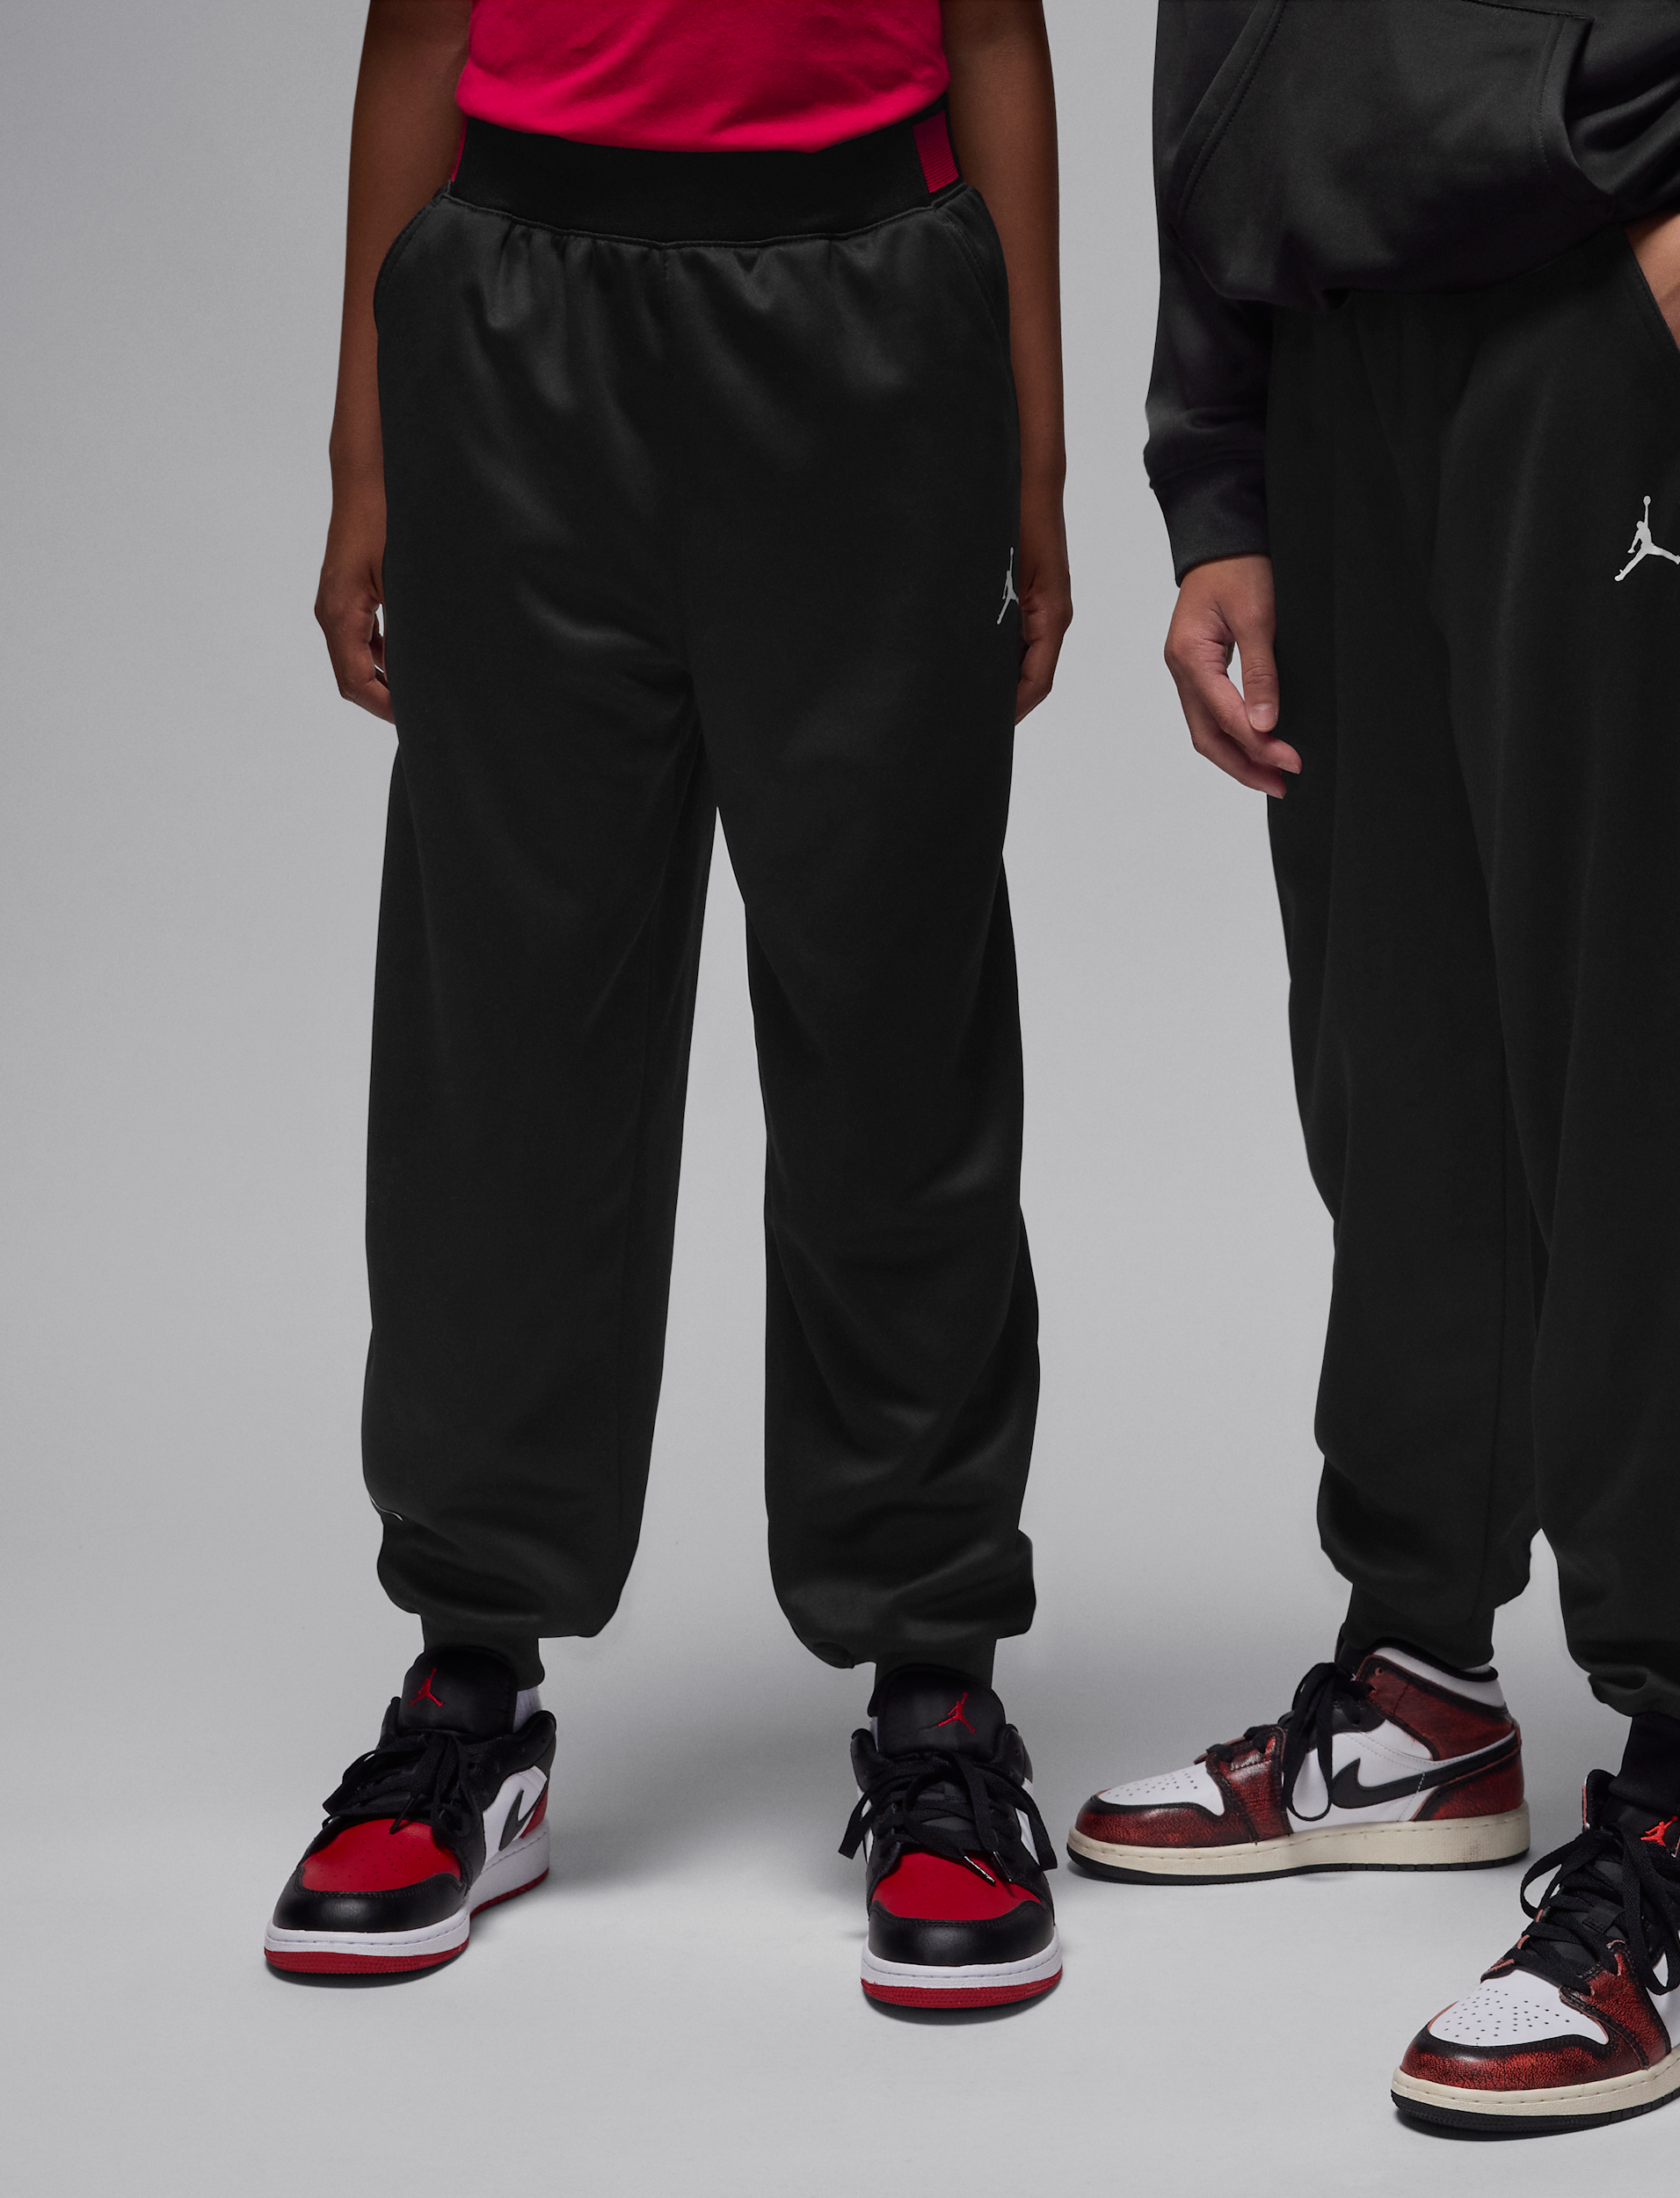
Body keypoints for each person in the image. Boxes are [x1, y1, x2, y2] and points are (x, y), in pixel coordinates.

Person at [1073, 0, 1680, 2131]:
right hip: (1332, 348)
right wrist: (1214, 456)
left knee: (1662, 1052)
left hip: (1611, 316)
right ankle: (1420, 1686)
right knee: (1396, 1053)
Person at [265, 0, 1072, 2014]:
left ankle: (936, 1690)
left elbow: (992, 29)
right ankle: (471, 1682)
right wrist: (365, 442)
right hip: (519, 316)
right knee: (505, 1030)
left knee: (892, 1016)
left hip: (872, 311)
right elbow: (416, 28)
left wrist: (1032, 449)